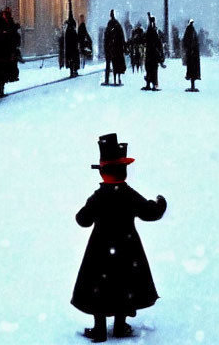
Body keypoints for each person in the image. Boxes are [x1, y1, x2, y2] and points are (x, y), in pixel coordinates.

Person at [72, 133, 167, 342]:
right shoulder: (128, 194)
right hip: (127, 246)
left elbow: (82, 219)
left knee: (99, 286)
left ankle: (99, 329)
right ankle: (120, 325)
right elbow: (150, 212)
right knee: (125, 283)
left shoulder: (99, 197)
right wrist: (160, 202)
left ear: (103, 172)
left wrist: (89, 209)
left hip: (99, 248)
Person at [103, 10, 127, 86]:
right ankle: (117, 79)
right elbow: (121, 37)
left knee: (109, 64)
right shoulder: (118, 25)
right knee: (116, 64)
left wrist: (107, 47)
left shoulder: (110, 26)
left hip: (111, 48)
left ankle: (107, 79)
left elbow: (106, 37)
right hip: (116, 48)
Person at [143, 14, 165, 91]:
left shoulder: (152, 30)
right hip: (153, 53)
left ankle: (150, 84)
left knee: (150, 69)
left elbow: (148, 40)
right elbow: (158, 42)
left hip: (151, 53)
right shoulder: (154, 30)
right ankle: (152, 84)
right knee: (152, 69)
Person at [182, 19, 201, 92]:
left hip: (191, 54)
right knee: (192, 70)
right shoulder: (192, 30)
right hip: (193, 54)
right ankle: (192, 85)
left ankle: (192, 85)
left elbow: (186, 41)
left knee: (191, 70)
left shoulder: (190, 30)